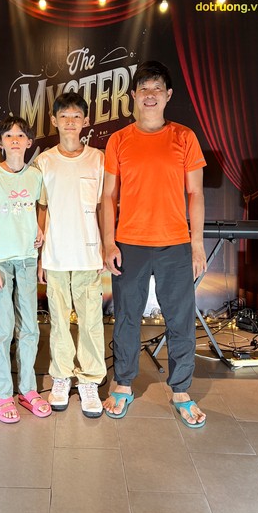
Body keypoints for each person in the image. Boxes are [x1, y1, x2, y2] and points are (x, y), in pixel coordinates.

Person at [101, 60, 207, 427]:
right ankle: (123, 383)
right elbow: (107, 196)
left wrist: (196, 244)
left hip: (174, 244)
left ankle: (181, 390)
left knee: (180, 319)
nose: (150, 95)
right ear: (133, 95)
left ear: (168, 95)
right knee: (127, 318)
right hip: (129, 243)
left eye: (157, 88)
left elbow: (196, 193)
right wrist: (108, 243)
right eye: (143, 89)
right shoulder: (119, 140)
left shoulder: (184, 137)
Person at [35, 92, 106, 418]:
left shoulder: (98, 159)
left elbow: (104, 206)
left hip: (89, 254)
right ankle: (61, 377)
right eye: (64, 116)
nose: (70, 122)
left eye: (77, 116)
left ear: (86, 121)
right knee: (59, 321)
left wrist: (106, 244)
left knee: (91, 321)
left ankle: (90, 380)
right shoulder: (45, 161)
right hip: (55, 255)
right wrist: (40, 255)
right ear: (54, 120)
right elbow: (42, 208)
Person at [0, 115, 51, 424]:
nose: (15, 140)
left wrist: (40, 229)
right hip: (1, 262)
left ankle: (28, 390)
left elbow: (41, 208)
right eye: (9, 135)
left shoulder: (36, 176)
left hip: (27, 260)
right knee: (2, 329)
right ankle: (3, 393)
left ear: (29, 142)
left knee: (30, 327)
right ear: (1, 142)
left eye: (21, 135)